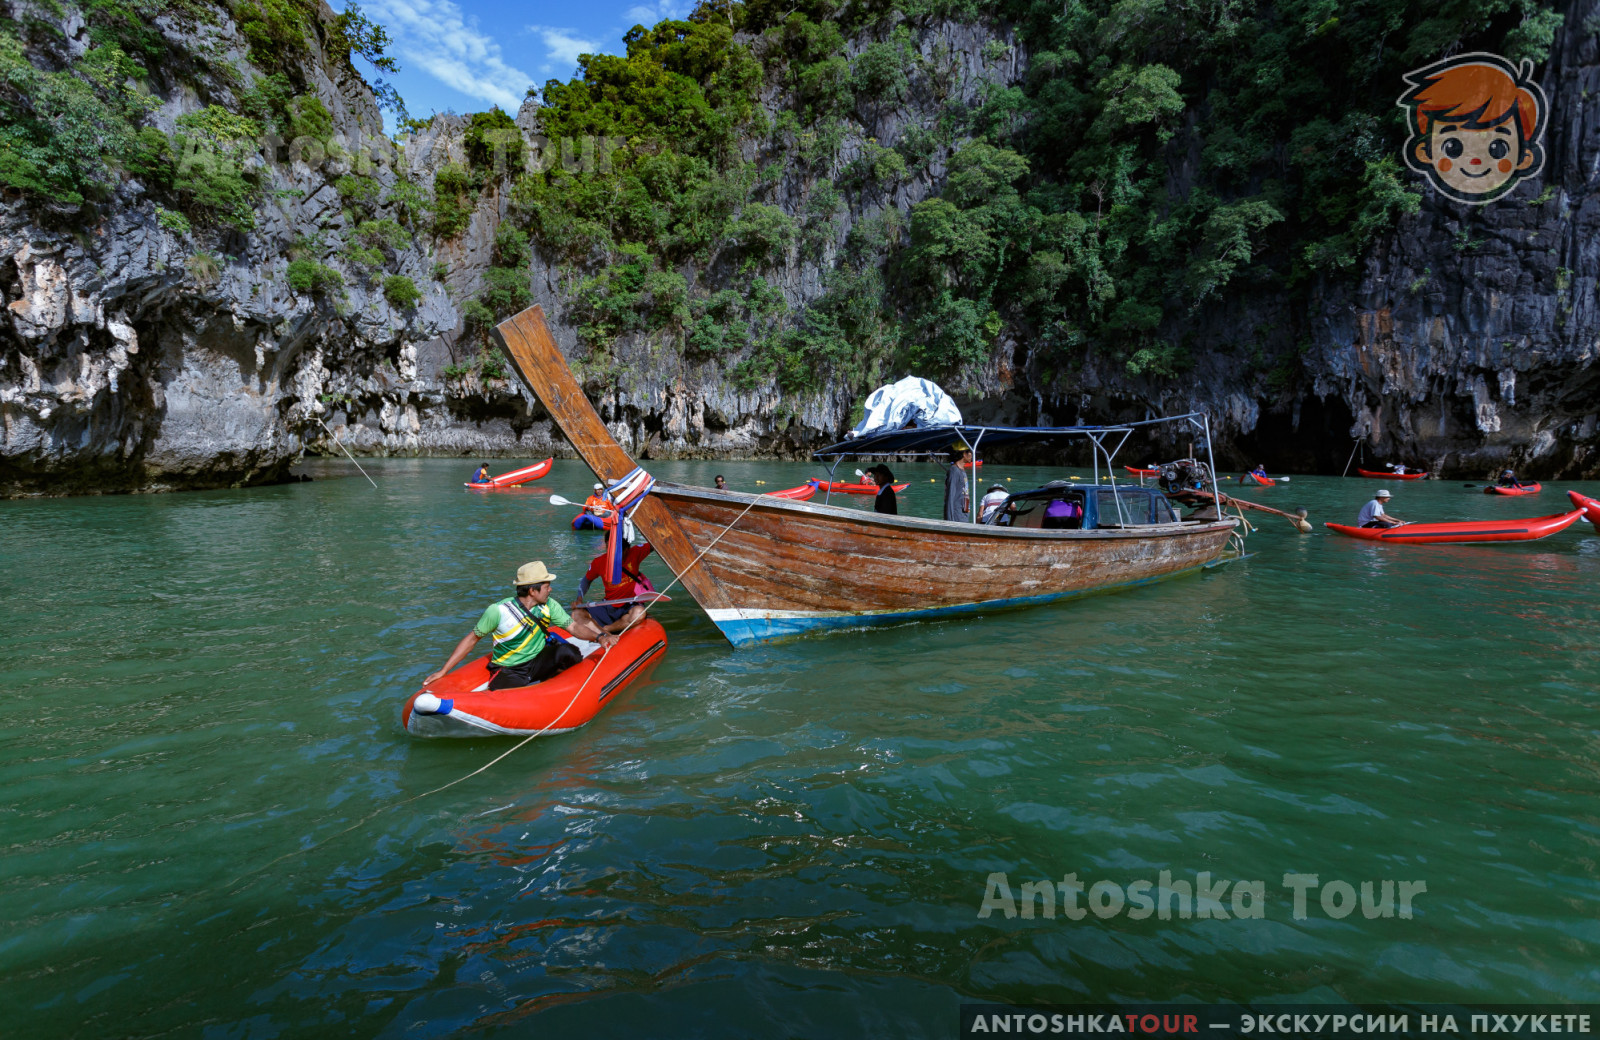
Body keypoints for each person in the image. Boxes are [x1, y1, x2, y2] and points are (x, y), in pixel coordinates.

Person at [425, 562, 617, 690]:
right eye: (547, 586)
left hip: (538, 660)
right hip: (510, 668)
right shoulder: (498, 611)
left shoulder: (549, 605)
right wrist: (444, 671)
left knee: (569, 652)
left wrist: (599, 637)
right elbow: (472, 639)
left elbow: (573, 627)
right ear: (533, 590)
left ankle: (555, 685)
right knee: (506, 691)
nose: (550, 589)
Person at [574, 539, 656, 634]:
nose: (613, 555)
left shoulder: (635, 552)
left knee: (639, 613)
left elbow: (655, 544)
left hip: (630, 605)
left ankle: (607, 629)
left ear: (626, 550)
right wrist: (579, 598)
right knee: (577, 614)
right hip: (609, 605)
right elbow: (586, 580)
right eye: (610, 549)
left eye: (618, 551)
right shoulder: (599, 562)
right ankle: (604, 630)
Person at [944, 444, 971, 522]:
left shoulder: (962, 471)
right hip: (956, 516)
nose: (972, 455)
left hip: (964, 514)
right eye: (970, 452)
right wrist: (950, 520)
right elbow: (950, 496)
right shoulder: (954, 471)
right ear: (964, 454)